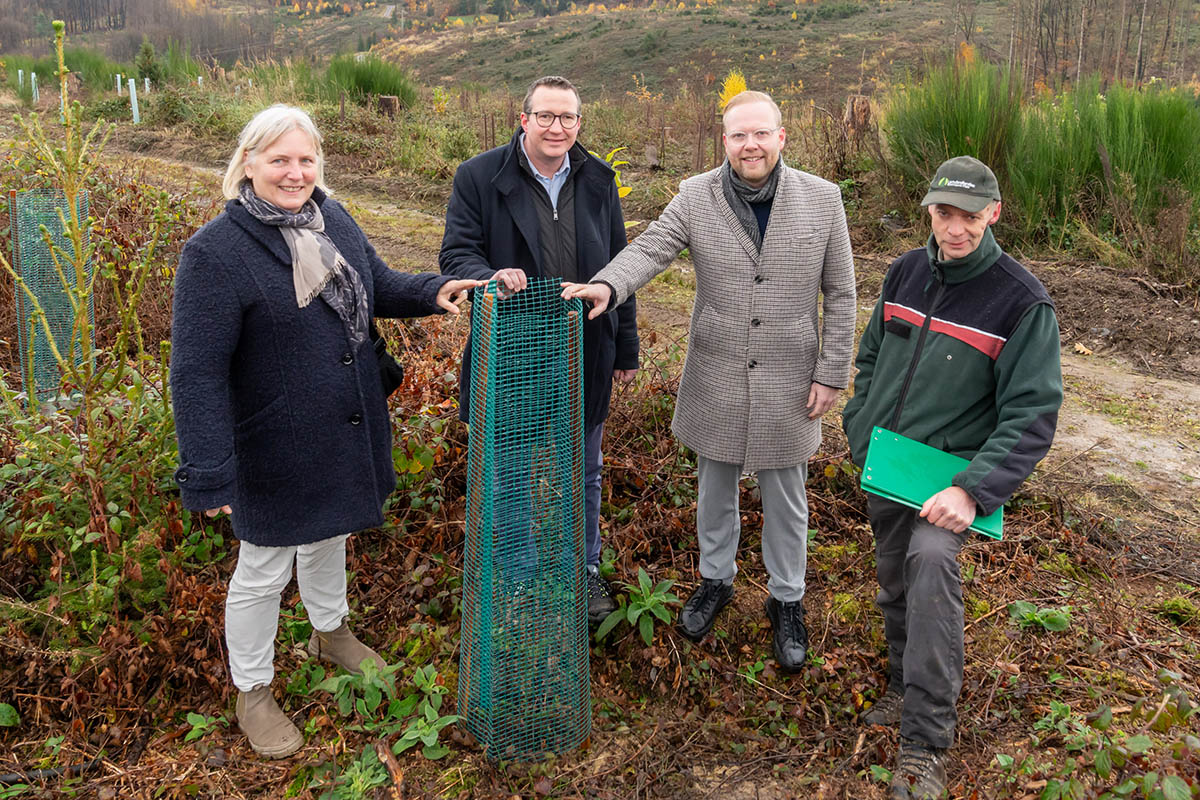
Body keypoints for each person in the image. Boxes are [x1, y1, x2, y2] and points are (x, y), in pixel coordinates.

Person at [170, 104, 480, 759]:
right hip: (270, 441)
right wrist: (209, 469)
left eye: (305, 159)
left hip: (343, 420)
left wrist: (437, 291)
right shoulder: (214, 254)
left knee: (330, 531)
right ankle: (252, 690)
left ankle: (329, 632)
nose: (294, 172)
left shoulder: (331, 216)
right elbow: (195, 373)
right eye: (279, 159)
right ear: (248, 163)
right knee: (261, 567)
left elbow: (380, 284)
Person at [562, 90, 856, 672]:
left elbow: (842, 293)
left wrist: (831, 373)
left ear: (781, 136)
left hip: (791, 377)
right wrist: (607, 286)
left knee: (786, 496)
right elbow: (650, 247)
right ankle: (715, 581)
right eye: (738, 135)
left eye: (761, 133)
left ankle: (786, 599)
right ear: (724, 140)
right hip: (717, 370)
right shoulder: (696, 195)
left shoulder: (823, 200)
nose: (750, 145)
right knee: (714, 487)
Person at [841, 156, 1062, 799]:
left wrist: (972, 489)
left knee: (932, 576)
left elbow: (1032, 413)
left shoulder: (1021, 301)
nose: (955, 228)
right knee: (893, 581)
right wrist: (862, 426)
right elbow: (872, 354)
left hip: (951, 485)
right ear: (929, 211)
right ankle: (899, 685)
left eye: (969, 215)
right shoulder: (905, 271)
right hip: (889, 468)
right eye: (944, 213)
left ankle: (925, 743)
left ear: (994, 213)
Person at [439, 75, 639, 624]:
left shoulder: (599, 179)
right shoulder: (480, 178)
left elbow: (621, 266)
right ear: (523, 119)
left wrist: (625, 348)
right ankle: (518, 574)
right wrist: (487, 276)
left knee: (585, 467)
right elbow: (455, 254)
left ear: (579, 123)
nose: (558, 128)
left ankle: (583, 569)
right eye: (546, 117)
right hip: (511, 347)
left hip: (584, 347)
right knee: (510, 465)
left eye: (568, 118)